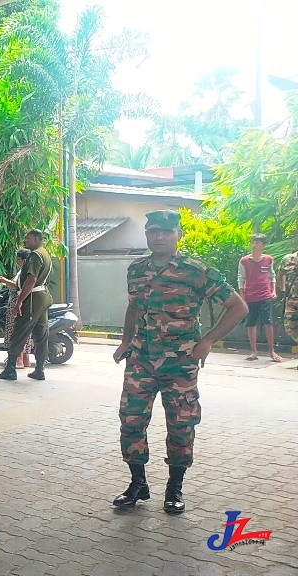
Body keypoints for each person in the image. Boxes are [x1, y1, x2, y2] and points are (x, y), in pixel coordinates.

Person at [111, 210, 247, 515]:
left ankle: (174, 488)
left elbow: (238, 307)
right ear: (147, 234)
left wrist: (208, 339)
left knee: (181, 427)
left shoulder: (197, 271)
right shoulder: (136, 270)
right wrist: (125, 341)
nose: (158, 237)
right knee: (131, 422)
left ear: (178, 236)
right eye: (153, 231)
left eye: (166, 231)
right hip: (141, 362)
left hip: (180, 364)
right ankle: (138, 484)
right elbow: (133, 307)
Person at [0, 229, 52, 381]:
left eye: (27, 239)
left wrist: (19, 302)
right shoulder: (45, 253)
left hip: (33, 298)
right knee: (41, 333)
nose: (25, 241)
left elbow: (31, 280)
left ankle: (11, 368)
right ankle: (40, 369)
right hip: (43, 296)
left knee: (19, 331)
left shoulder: (35, 255)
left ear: (35, 239)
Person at [238, 233, 282, 362]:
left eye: (257, 243)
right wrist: (242, 297)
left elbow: (271, 276)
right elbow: (241, 279)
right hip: (250, 295)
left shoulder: (268, 259)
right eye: (253, 242)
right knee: (251, 323)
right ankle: (253, 352)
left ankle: (271, 351)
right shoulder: (244, 261)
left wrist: (273, 291)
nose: (254, 245)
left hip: (265, 295)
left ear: (263, 245)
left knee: (268, 322)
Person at [0, 248, 35, 369]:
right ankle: (25, 358)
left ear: (23, 260)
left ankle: (18, 360)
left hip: (18, 303)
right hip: (26, 303)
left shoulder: (24, 271)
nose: (16, 261)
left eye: (18, 259)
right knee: (24, 331)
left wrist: (4, 280)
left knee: (15, 330)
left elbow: (16, 286)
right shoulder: (28, 271)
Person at [277, 247, 298, 353]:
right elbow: (280, 273)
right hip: (292, 301)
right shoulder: (288, 259)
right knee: (290, 327)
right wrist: (283, 291)